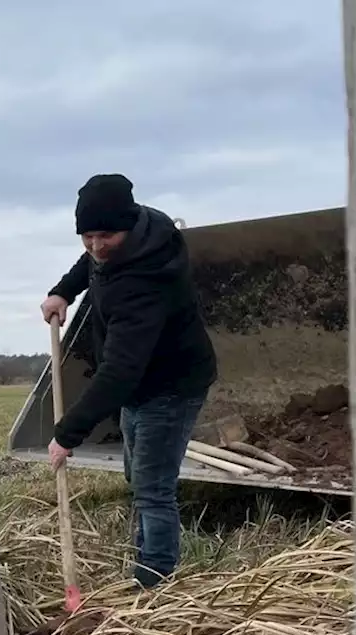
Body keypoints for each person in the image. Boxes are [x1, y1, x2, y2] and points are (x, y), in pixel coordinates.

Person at [39, 173, 217, 588]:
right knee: (138, 476)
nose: (97, 245)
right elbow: (92, 264)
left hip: (170, 386)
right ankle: (147, 557)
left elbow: (119, 372)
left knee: (153, 488)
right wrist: (63, 291)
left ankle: (154, 581)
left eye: (106, 236)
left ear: (129, 226)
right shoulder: (132, 236)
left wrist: (67, 435)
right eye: (87, 235)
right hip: (140, 382)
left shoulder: (146, 280)